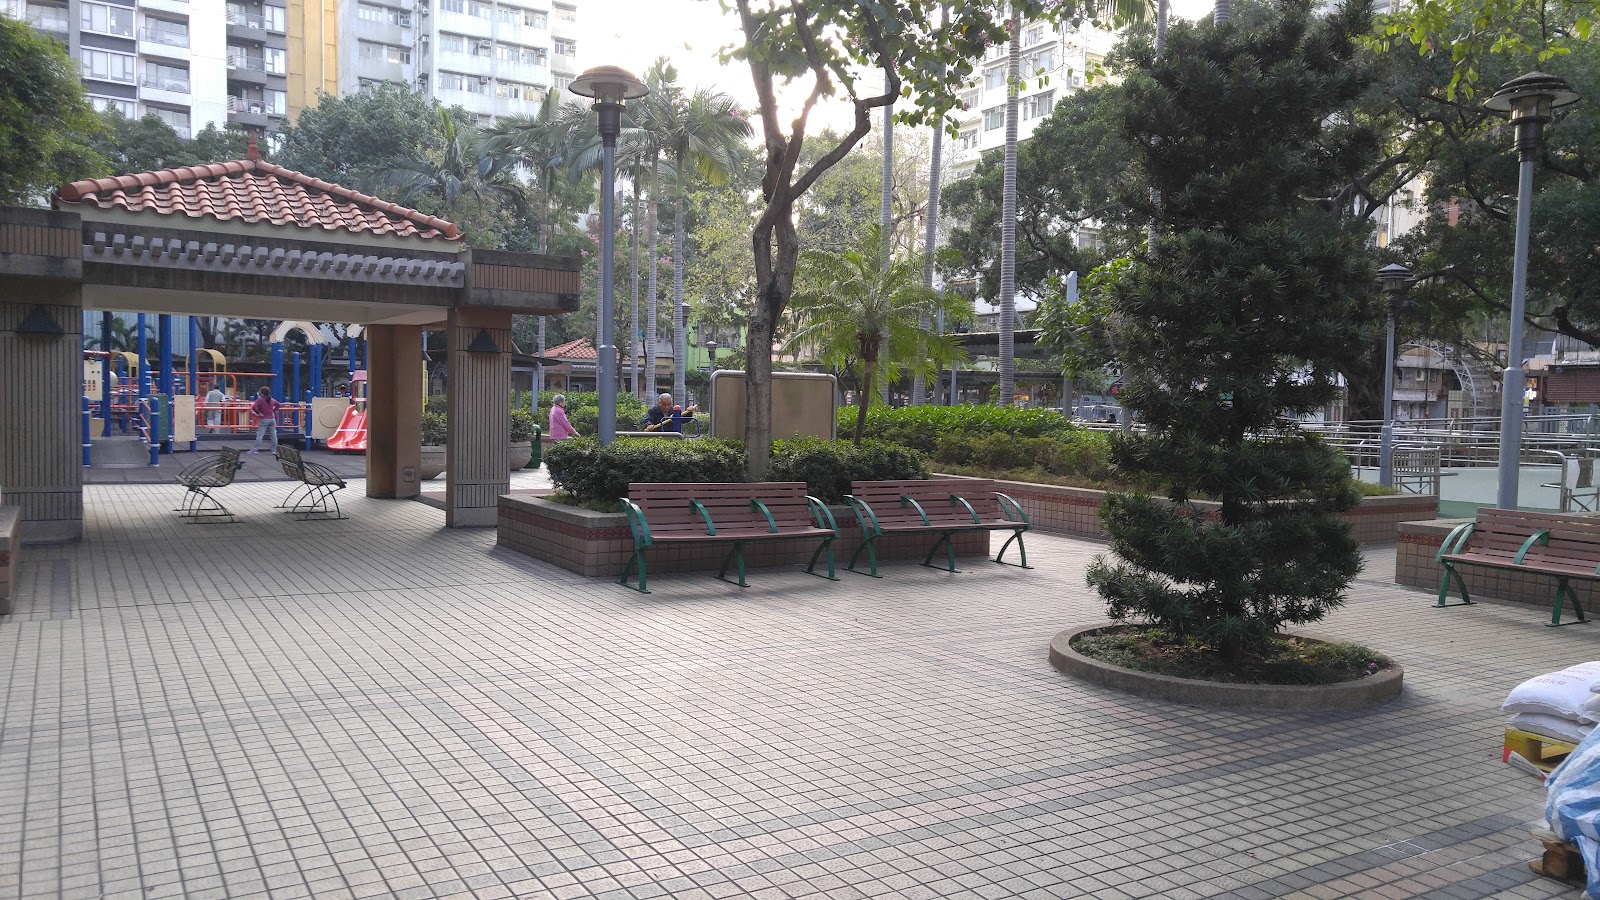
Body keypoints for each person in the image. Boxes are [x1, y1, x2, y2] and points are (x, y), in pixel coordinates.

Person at [248, 387, 281, 454]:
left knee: (260, 434)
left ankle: (255, 449)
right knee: (273, 435)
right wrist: (273, 411)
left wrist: (258, 412)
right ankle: (273, 450)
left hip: (263, 419)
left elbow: (254, 407)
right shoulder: (272, 399)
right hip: (272, 418)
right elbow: (278, 405)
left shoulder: (260, 400)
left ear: (262, 393)